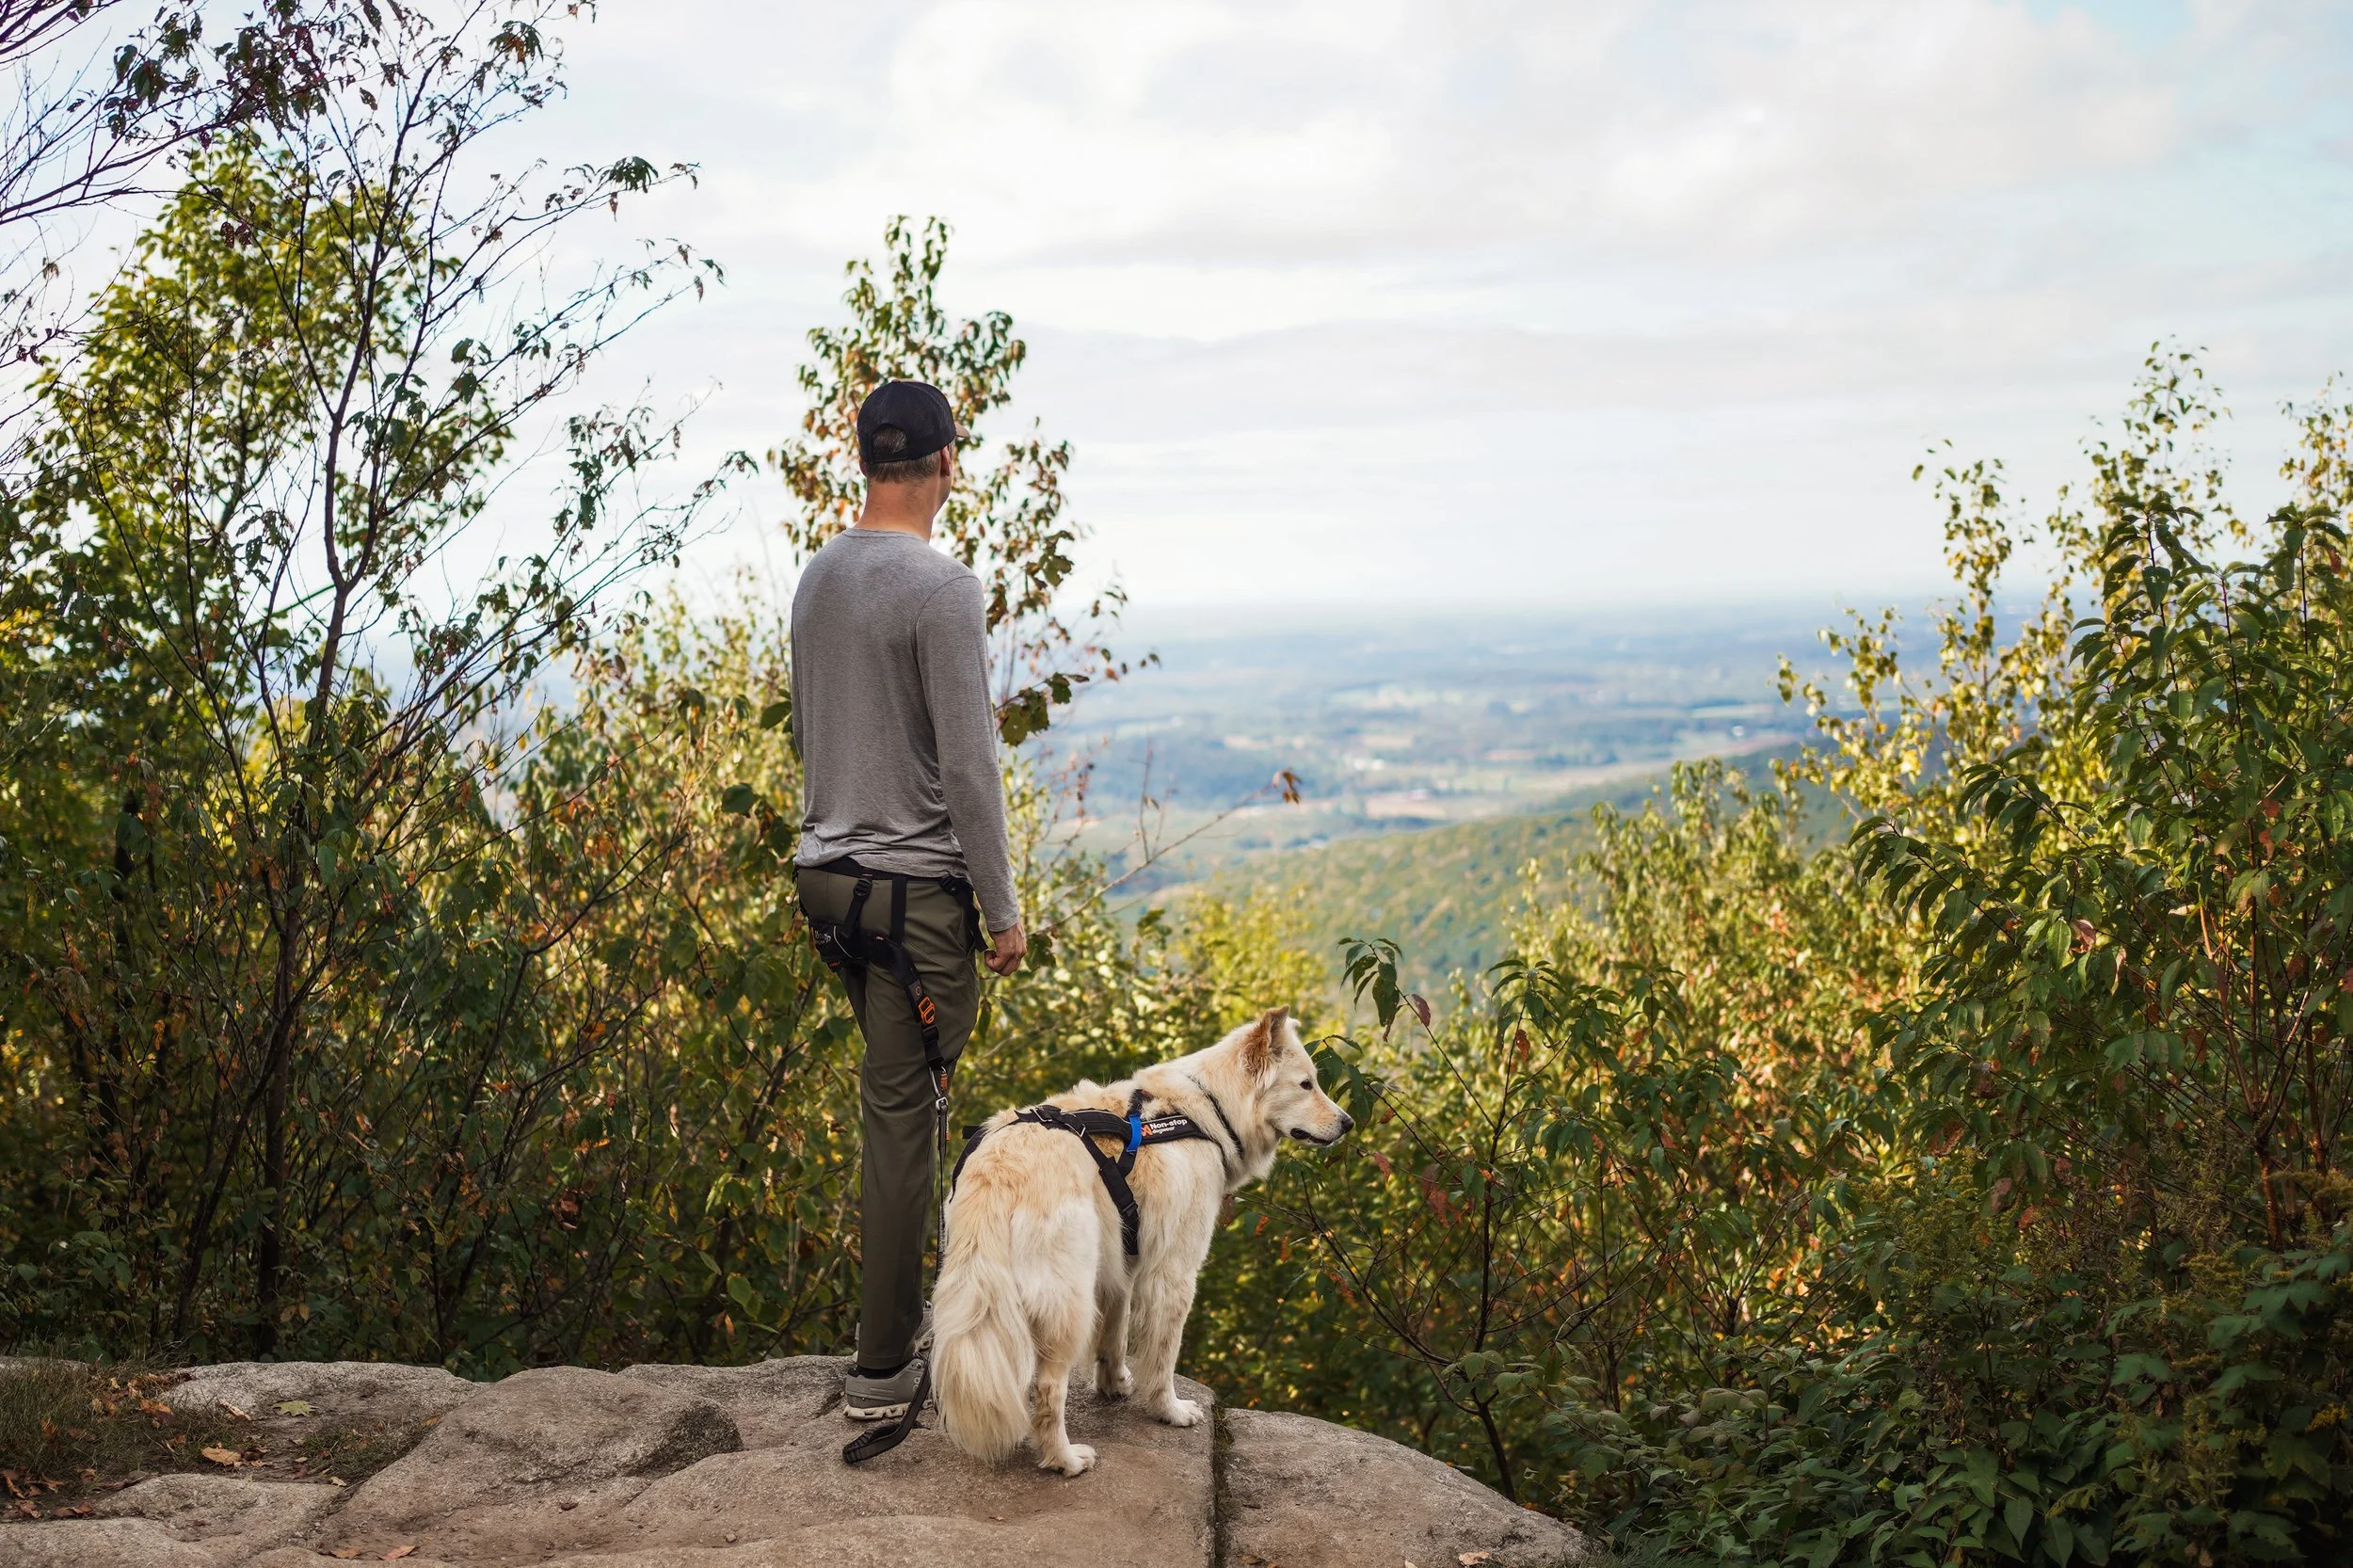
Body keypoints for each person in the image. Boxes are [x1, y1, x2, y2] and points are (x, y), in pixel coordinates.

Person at [790, 379, 1027, 1422]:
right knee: (902, 1121)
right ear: (945, 464)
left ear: (862, 464)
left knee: (894, 1102)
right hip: (909, 892)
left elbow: (813, 729)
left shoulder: (818, 578)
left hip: (829, 881)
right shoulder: (942, 588)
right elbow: (970, 769)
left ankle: (902, 1332)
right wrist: (1003, 909)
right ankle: (883, 1366)